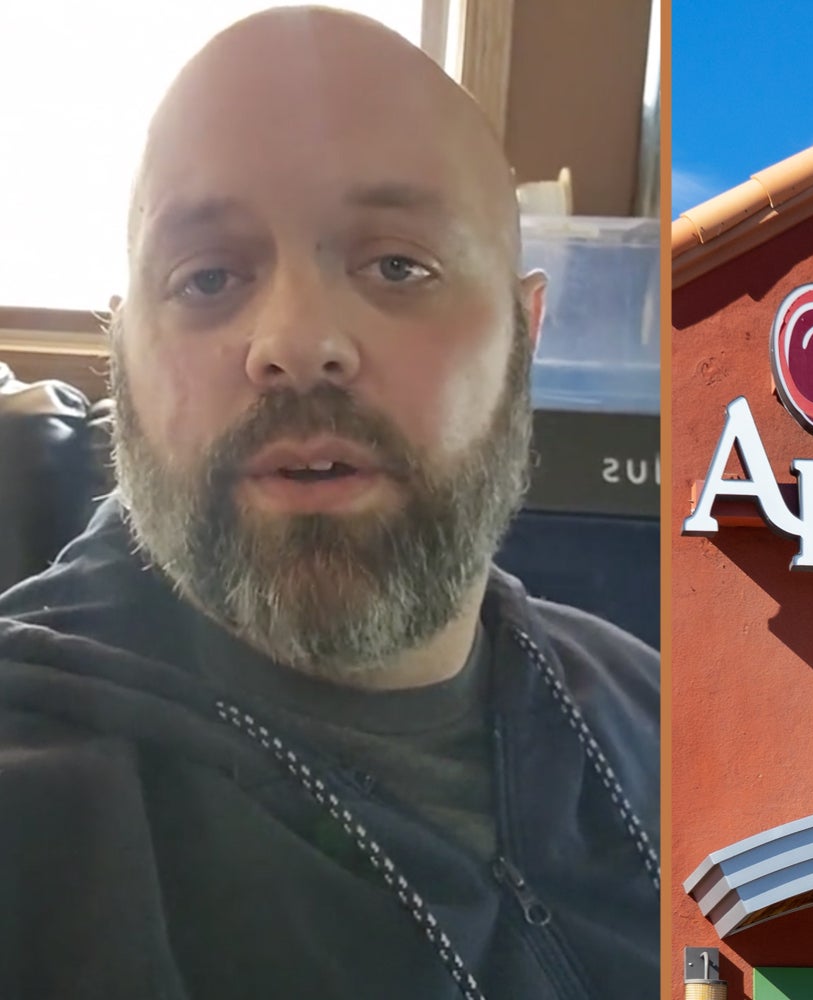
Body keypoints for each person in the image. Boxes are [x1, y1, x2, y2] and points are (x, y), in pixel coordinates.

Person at [0, 8, 658, 999]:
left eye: (398, 265)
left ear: (524, 342)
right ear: (122, 355)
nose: (296, 340)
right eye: (209, 275)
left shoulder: (662, 717)